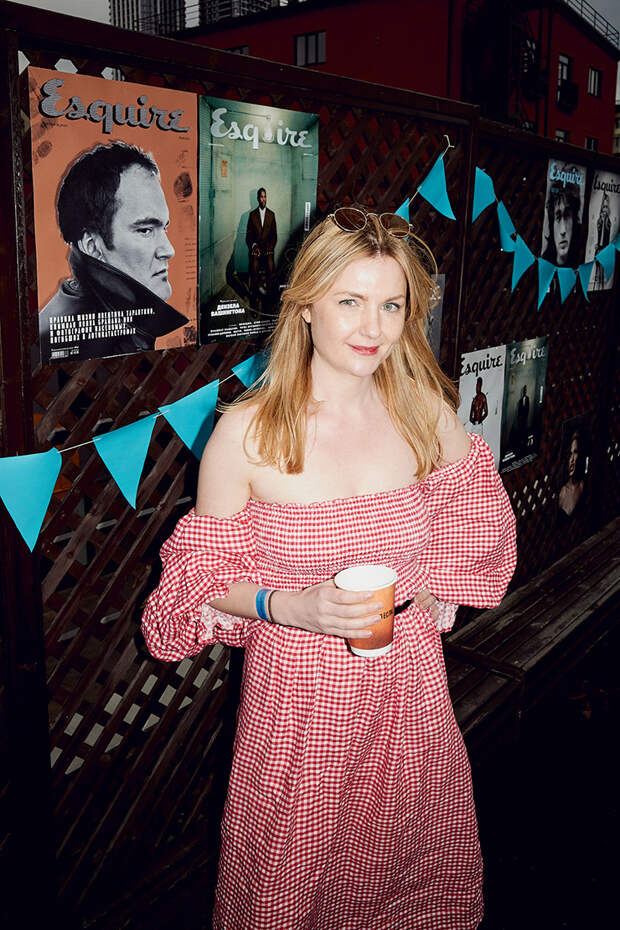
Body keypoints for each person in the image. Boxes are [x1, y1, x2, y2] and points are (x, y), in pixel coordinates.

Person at [142, 207, 517, 929]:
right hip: (297, 707)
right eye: (350, 300)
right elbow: (198, 579)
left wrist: (435, 584)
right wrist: (289, 607)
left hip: (408, 695)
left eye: (391, 305)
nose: (373, 327)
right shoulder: (246, 433)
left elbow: (476, 511)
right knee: (291, 884)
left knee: (412, 876)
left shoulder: (424, 414)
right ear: (306, 304)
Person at [38, 141, 188, 364]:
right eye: (145, 230)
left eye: (163, 228)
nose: (169, 250)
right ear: (92, 246)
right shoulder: (89, 343)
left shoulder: (112, 317)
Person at [245, 187, 277, 307]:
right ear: (258, 199)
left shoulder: (271, 215)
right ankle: (255, 298)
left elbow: (274, 235)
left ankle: (269, 298)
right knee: (254, 267)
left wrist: (270, 247)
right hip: (256, 250)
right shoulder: (252, 215)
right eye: (261, 197)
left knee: (270, 267)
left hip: (268, 250)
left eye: (265, 197)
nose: (263, 199)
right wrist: (253, 246)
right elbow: (248, 236)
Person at [541, 179, 582, 267]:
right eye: (558, 217)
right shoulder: (544, 264)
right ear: (551, 224)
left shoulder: (582, 260)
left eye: (567, 216)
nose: (563, 230)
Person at [558, 429, 586, 517]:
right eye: (569, 454)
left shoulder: (582, 486)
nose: (572, 460)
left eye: (575, 452)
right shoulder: (562, 491)